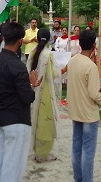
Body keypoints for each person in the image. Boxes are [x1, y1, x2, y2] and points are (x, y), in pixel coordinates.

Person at [0, 22, 41, 182]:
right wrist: (31, 85)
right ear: (20, 41)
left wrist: (27, 84)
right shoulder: (18, 66)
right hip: (17, 120)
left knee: (0, 161)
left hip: (1, 116)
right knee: (13, 166)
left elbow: (7, 86)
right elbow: (27, 97)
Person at [67, 30, 101, 182]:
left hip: (75, 110)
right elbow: (94, 94)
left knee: (77, 147)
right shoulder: (91, 66)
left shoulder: (73, 60)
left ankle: (78, 178)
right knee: (88, 150)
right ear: (94, 45)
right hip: (88, 114)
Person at [27, 28, 61, 163]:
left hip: (34, 89)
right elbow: (55, 75)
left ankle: (35, 149)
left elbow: (28, 70)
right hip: (46, 90)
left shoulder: (32, 52)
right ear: (48, 39)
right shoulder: (49, 54)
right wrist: (64, 69)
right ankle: (44, 152)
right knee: (46, 120)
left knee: (35, 118)